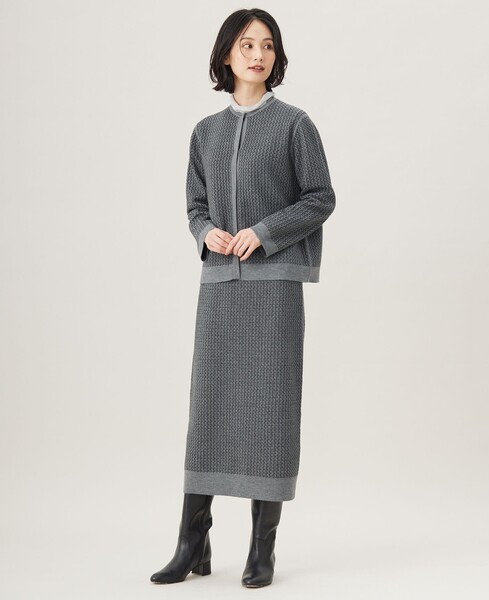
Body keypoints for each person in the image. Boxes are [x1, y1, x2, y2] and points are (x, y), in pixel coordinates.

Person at [150, 7, 336, 588]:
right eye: (247, 44)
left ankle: (262, 548)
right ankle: (192, 542)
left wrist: (265, 232)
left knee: (272, 411)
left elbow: (320, 197)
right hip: (219, 290)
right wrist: (206, 231)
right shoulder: (204, 132)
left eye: (268, 45)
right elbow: (195, 205)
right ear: (226, 54)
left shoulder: (295, 124)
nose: (258, 54)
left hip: (274, 290)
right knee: (208, 409)